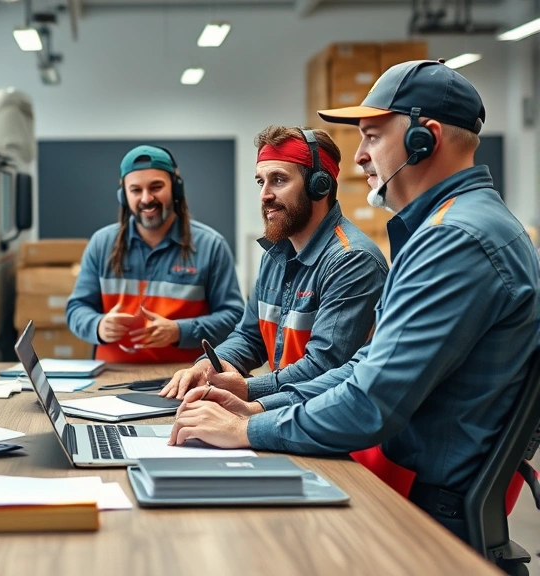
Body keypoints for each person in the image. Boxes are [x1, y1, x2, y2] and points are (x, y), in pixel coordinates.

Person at [169, 60, 540, 543]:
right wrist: (257, 412)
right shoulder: (449, 227)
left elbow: (369, 403)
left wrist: (245, 431)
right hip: (424, 485)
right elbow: (365, 367)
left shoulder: (455, 240)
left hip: (431, 505)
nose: (360, 156)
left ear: (424, 139)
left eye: (372, 136)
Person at [159, 126, 388, 408]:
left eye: (278, 180)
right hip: (281, 412)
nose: (264, 195)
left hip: (327, 426)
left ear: (320, 185)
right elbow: (249, 336)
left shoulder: (352, 260)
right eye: (260, 182)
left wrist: (247, 388)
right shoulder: (275, 254)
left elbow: (325, 367)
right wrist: (208, 365)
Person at [65, 145, 245, 363]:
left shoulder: (211, 246)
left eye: (156, 187)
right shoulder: (101, 244)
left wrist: (180, 331)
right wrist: (98, 325)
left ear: (175, 188)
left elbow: (235, 318)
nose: (146, 198)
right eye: (135, 190)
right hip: (110, 378)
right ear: (124, 196)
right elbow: (77, 308)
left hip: (186, 377)